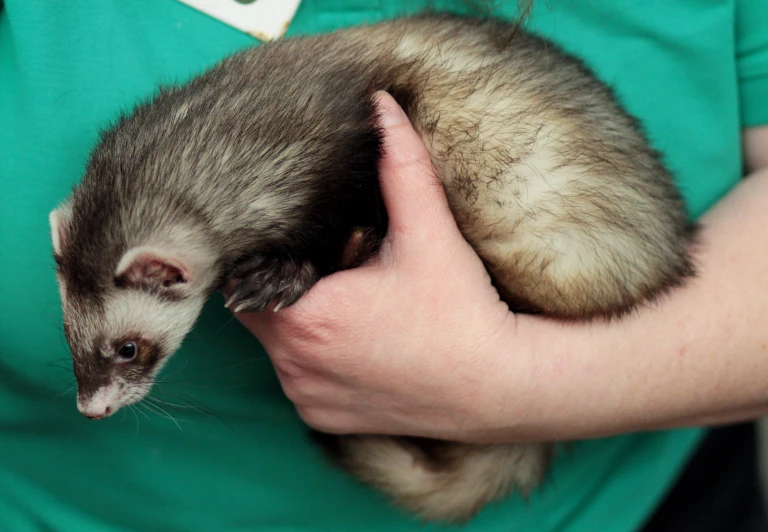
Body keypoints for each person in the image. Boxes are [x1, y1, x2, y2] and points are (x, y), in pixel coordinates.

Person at [1, 0, 766, 530]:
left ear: (162, 272)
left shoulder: (303, 146)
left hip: (646, 483)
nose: (97, 399)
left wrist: (518, 383)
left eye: (124, 353)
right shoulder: (250, 151)